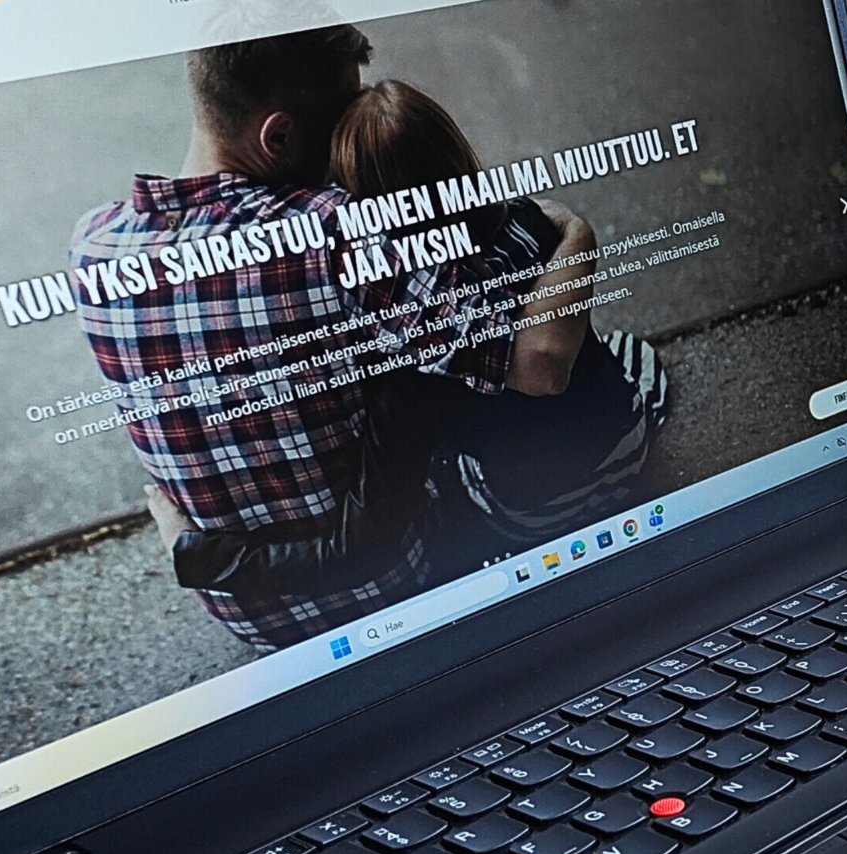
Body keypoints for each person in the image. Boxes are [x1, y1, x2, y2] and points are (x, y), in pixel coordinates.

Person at [71, 27, 593, 650]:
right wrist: (576, 232)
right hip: (399, 588)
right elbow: (536, 362)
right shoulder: (337, 232)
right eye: (341, 118)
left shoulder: (91, 247)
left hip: (251, 619)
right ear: (279, 136)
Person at [158, 79, 671, 598]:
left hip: (529, 511)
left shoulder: (419, 325)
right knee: (618, 355)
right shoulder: (527, 220)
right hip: (625, 444)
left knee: (448, 467)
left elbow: (537, 369)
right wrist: (575, 231)